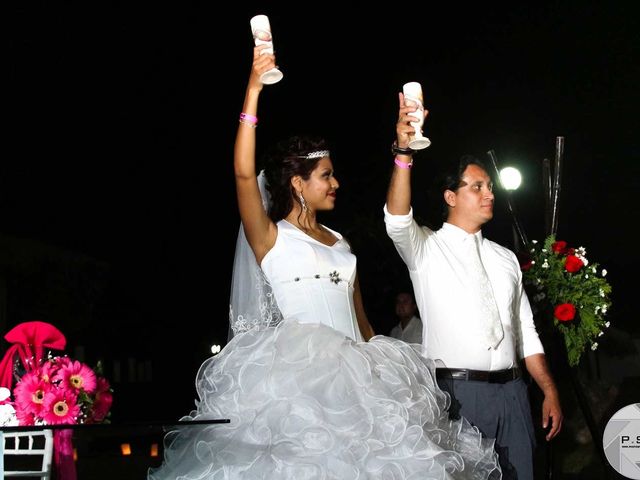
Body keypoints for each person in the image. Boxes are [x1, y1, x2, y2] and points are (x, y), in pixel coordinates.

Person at [148, 45, 502, 480]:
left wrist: (383, 370)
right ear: (298, 183)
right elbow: (243, 174)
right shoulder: (271, 236)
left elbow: (363, 324)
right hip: (299, 383)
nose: (336, 183)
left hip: (360, 378)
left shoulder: (340, 242)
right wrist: (254, 89)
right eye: (326, 175)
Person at [383, 91, 563, 480]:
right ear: (451, 196)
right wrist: (404, 151)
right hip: (458, 394)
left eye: (489, 186)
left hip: (515, 393)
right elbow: (397, 219)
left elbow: (526, 332)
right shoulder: (426, 247)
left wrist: (547, 388)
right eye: (477, 186)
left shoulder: (505, 258)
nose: (489, 193)